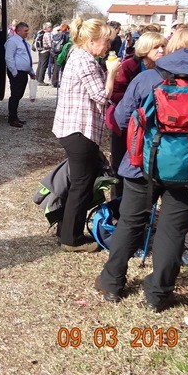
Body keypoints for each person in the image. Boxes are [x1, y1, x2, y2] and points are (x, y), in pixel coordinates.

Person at [95, 27, 188, 311]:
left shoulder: (147, 79)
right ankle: (158, 294)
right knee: (172, 229)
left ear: (171, 48)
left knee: (131, 222)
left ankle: (112, 283)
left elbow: (119, 120)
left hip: (141, 167)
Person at [52, 18, 120, 251]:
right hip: (79, 130)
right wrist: (111, 72)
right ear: (91, 41)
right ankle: (71, 239)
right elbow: (101, 96)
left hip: (72, 128)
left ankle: (66, 228)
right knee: (82, 184)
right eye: (105, 41)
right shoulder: (86, 61)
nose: (108, 46)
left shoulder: (80, 55)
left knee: (78, 183)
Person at [105, 32, 167, 196]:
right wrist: (134, 97)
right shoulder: (128, 65)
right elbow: (113, 93)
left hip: (149, 124)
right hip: (125, 121)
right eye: (156, 47)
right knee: (119, 164)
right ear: (145, 48)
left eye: (163, 46)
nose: (161, 50)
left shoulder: (166, 69)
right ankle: (117, 203)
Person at [4, 21, 35, 128]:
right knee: (15, 95)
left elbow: (26, 58)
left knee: (19, 95)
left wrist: (31, 71)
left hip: (23, 72)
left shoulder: (24, 42)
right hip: (17, 72)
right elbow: (9, 57)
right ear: (19, 30)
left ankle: (14, 117)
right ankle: (12, 118)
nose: (27, 33)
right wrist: (14, 72)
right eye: (25, 31)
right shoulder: (13, 41)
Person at [50, 23, 70, 87]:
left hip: (55, 52)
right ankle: (63, 81)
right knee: (63, 68)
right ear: (67, 29)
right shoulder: (66, 35)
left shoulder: (57, 34)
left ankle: (54, 82)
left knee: (56, 67)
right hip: (62, 53)